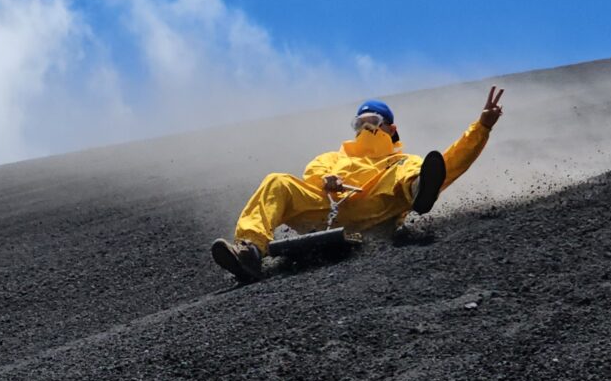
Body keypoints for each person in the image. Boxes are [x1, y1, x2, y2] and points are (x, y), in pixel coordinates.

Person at [211, 86, 506, 282]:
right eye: (359, 123)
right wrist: (326, 180)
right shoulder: (332, 157)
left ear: (391, 127)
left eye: (374, 120)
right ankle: (249, 251)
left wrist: (481, 129)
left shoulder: (400, 161)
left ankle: (418, 190)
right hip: (328, 207)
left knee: (413, 168)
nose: (366, 127)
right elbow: (313, 174)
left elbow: (449, 164)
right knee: (277, 182)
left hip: (374, 208)